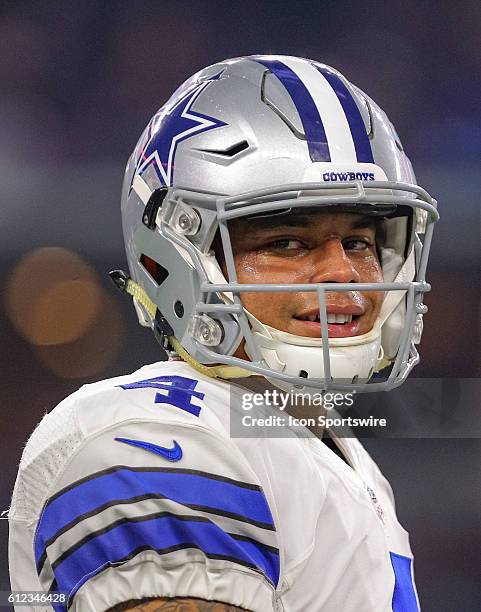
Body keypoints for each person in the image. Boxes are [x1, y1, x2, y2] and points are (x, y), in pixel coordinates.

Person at [8, 55, 438, 611]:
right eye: (288, 243)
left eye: (359, 242)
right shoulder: (157, 440)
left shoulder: (322, 445)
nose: (344, 272)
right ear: (179, 254)